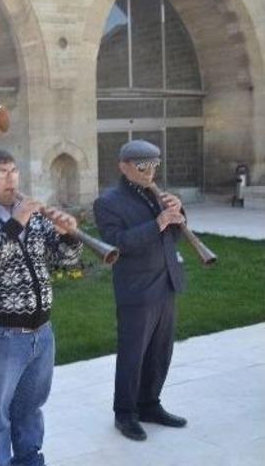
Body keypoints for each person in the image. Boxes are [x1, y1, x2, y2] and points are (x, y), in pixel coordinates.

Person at [0, 149, 82, 466]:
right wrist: (17, 221)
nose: (11, 177)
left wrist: (68, 237)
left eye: (14, 170)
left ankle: (29, 460)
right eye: (0, 172)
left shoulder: (34, 216)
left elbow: (64, 263)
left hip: (41, 332)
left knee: (30, 408)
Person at [93, 139, 188, 441]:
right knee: (133, 354)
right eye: (142, 165)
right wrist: (158, 222)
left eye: (154, 165)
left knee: (161, 351)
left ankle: (150, 404)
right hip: (136, 288)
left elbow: (173, 237)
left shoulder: (157, 195)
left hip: (166, 281)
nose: (150, 172)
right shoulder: (108, 201)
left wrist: (178, 214)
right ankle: (125, 413)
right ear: (124, 166)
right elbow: (117, 243)